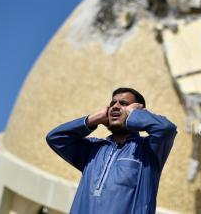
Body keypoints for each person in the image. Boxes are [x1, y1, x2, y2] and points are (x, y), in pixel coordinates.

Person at [46, 87, 177, 214]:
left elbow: (166, 129)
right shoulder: (93, 150)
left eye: (124, 103)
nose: (115, 106)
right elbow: (55, 138)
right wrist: (93, 119)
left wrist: (135, 113)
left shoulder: (148, 150)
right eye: (112, 103)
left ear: (138, 110)